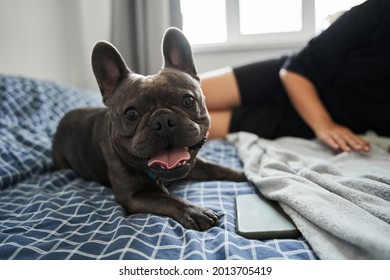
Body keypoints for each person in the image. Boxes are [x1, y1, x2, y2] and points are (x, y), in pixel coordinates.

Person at [201, 0, 390, 153]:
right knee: (177, 95)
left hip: (298, 123)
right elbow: (296, 71)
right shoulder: (378, 10)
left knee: (184, 125)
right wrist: (325, 124)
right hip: (287, 79)